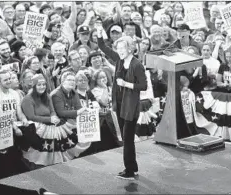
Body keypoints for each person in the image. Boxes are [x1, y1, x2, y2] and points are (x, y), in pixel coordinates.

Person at [97, 27, 147, 180]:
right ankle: (133, 167)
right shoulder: (119, 60)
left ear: (130, 49)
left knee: (127, 138)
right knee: (127, 138)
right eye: (118, 48)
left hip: (130, 106)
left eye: (122, 48)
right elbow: (103, 47)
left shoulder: (137, 65)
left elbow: (143, 86)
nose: (119, 51)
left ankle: (129, 170)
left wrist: (126, 84)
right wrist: (99, 35)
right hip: (119, 104)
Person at [21, 74, 88, 169]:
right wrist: (50, 119)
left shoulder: (47, 96)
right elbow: (31, 116)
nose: (42, 87)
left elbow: (52, 110)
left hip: (51, 123)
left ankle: (57, 163)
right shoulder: (27, 99)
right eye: (39, 85)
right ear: (34, 86)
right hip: (37, 125)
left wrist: (53, 117)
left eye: (44, 84)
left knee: (64, 135)